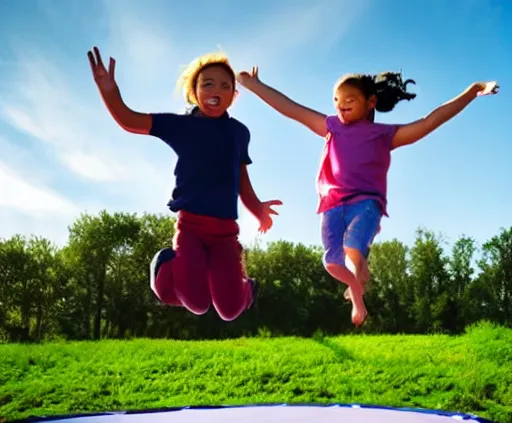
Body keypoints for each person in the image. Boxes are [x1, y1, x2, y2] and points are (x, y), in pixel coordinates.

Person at [236, 67, 498, 326]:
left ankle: (358, 285)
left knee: (352, 247)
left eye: (350, 100)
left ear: (371, 102)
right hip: (332, 205)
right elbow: (291, 109)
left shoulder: (384, 135)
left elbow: (429, 122)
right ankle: (357, 288)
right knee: (331, 262)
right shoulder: (332, 127)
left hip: (366, 204)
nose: (341, 106)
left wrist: (472, 92)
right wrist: (254, 84)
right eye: (337, 100)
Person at [88, 47, 282, 321]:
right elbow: (129, 119)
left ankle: (246, 289)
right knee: (198, 303)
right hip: (191, 227)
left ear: (233, 96)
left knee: (230, 311)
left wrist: (258, 208)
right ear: (194, 91)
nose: (217, 89)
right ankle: (163, 268)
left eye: (225, 86)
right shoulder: (180, 126)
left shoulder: (239, 133)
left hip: (226, 233)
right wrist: (108, 90)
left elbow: (241, 180)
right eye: (208, 83)